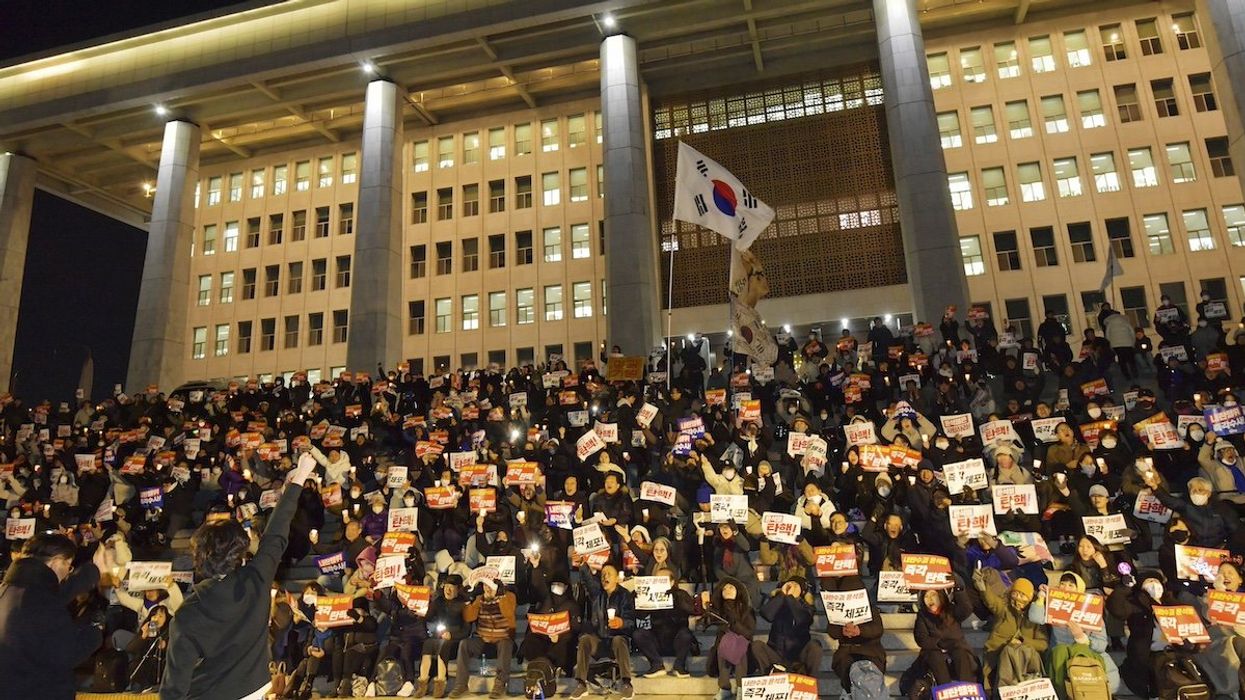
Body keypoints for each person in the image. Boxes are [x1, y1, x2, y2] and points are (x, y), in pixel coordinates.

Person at [160, 451, 315, 699]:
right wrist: (299, 479)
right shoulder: (256, 579)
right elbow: (276, 534)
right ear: (241, 553)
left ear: (199, 559)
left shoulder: (187, 613)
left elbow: (173, 688)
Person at [0, 533, 103, 700]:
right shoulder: (42, 602)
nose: (67, 573)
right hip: (39, 690)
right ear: (56, 562)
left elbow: (52, 596)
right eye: (68, 565)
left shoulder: (9, 590)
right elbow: (67, 654)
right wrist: (96, 631)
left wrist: (87, 576)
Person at [569, 563, 635, 699]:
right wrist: (582, 564)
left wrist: (621, 622)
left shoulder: (625, 595)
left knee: (619, 640)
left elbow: (631, 621)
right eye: (603, 574)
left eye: (609, 574)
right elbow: (587, 580)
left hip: (617, 642)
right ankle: (581, 683)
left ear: (617, 578)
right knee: (585, 639)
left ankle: (627, 683)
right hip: (600, 640)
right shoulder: (598, 595)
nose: (605, 576)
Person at [450, 577, 516, 699]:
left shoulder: (509, 596)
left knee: (506, 643)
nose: (487, 589)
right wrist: (471, 602)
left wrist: (499, 597)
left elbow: (508, 613)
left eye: (490, 586)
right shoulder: (480, 599)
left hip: (502, 639)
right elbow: (469, 617)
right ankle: (461, 684)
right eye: (485, 586)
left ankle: (500, 683)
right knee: (464, 644)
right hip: (484, 639)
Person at [751, 575, 821, 676]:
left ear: (802, 591)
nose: (791, 587)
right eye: (789, 584)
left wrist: (791, 598)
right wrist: (781, 595)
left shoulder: (807, 606)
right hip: (776, 653)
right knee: (757, 646)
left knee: (815, 646)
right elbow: (767, 615)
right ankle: (769, 676)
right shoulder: (778, 601)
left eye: (795, 586)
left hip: (798, 656)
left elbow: (802, 619)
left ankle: (810, 681)